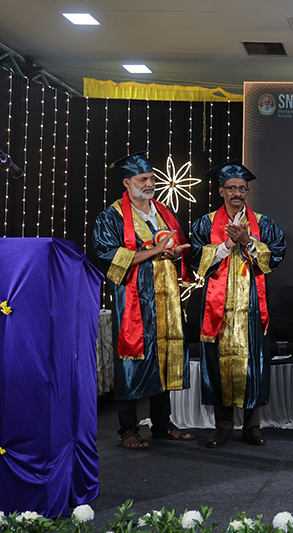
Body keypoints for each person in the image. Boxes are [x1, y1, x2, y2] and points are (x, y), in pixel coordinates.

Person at [93, 151, 194, 449]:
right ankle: (127, 428)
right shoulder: (112, 216)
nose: (149, 184)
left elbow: (173, 248)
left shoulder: (163, 212)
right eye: (142, 179)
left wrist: (174, 253)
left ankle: (162, 424)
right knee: (131, 359)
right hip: (134, 300)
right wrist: (155, 251)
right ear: (127, 183)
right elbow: (109, 255)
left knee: (164, 355)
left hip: (166, 297)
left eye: (151, 178)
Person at [191, 160, 286, 448]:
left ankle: (252, 426)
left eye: (242, 188)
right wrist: (226, 245)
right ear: (221, 191)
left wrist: (248, 242)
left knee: (253, 363)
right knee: (219, 363)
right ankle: (223, 426)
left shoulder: (263, 223)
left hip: (252, 306)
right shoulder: (206, 223)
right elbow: (196, 259)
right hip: (218, 306)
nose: (237, 193)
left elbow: (276, 255)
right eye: (231, 188)